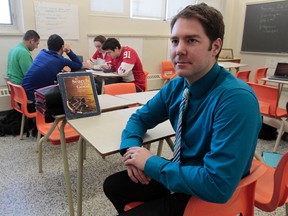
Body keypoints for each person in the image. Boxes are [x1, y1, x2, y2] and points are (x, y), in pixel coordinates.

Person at [103, 3, 262, 216]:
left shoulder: (235, 99)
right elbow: (139, 119)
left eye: (192, 40)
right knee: (113, 185)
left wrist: (151, 163)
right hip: (184, 171)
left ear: (215, 47)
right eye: (175, 40)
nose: (180, 49)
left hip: (207, 194)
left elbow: (218, 185)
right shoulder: (178, 86)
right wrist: (132, 152)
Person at [22, 34, 82, 105]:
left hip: (22, 95)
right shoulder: (60, 60)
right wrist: (69, 51)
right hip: (33, 100)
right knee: (68, 95)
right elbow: (79, 64)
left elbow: (46, 69)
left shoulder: (42, 53)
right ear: (62, 47)